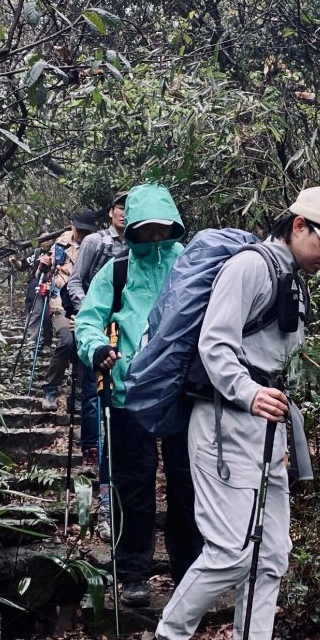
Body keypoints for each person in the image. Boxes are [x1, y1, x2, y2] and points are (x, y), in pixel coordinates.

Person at [135, 184, 320, 640]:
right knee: (232, 550)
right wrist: (249, 392)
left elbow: (273, 356)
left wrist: (275, 428)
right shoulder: (251, 268)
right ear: (299, 225)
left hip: (264, 427)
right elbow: (215, 342)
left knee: (272, 554)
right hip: (222, 420)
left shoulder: (292, 279)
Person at [75, 183, 202, 606]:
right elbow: (89, 320)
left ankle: (190, 572)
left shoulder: (190, 264)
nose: (153, 237)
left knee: (188, 485)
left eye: (161, 228)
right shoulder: (118, 270)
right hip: (129, 392)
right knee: (134, 485)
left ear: (173, 224)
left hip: (184, 393)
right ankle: (133, 572)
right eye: (145, 228)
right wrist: (97, 348)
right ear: (131, 228)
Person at [67, 191, 128, 535]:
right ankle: (107, 508)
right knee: (96, 396)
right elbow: (75, 281)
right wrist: (89, 311)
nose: (125, 214)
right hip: (100, 336)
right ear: (111, 212)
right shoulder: (96, 242)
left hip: (131, 339)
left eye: (130, 209)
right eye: (120, 208)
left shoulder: (148, 248)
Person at [40, 210, 98, 412]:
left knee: (83, 344)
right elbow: (51, 270)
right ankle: (51, 388)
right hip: (60, 303)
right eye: (79, 229)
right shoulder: (60, 243)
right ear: (72, 225)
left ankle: (80, 393)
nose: (82, 234)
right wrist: (45, 266)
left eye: (86, 231)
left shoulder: (96, 245)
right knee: (67, 341)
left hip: (85, 303)